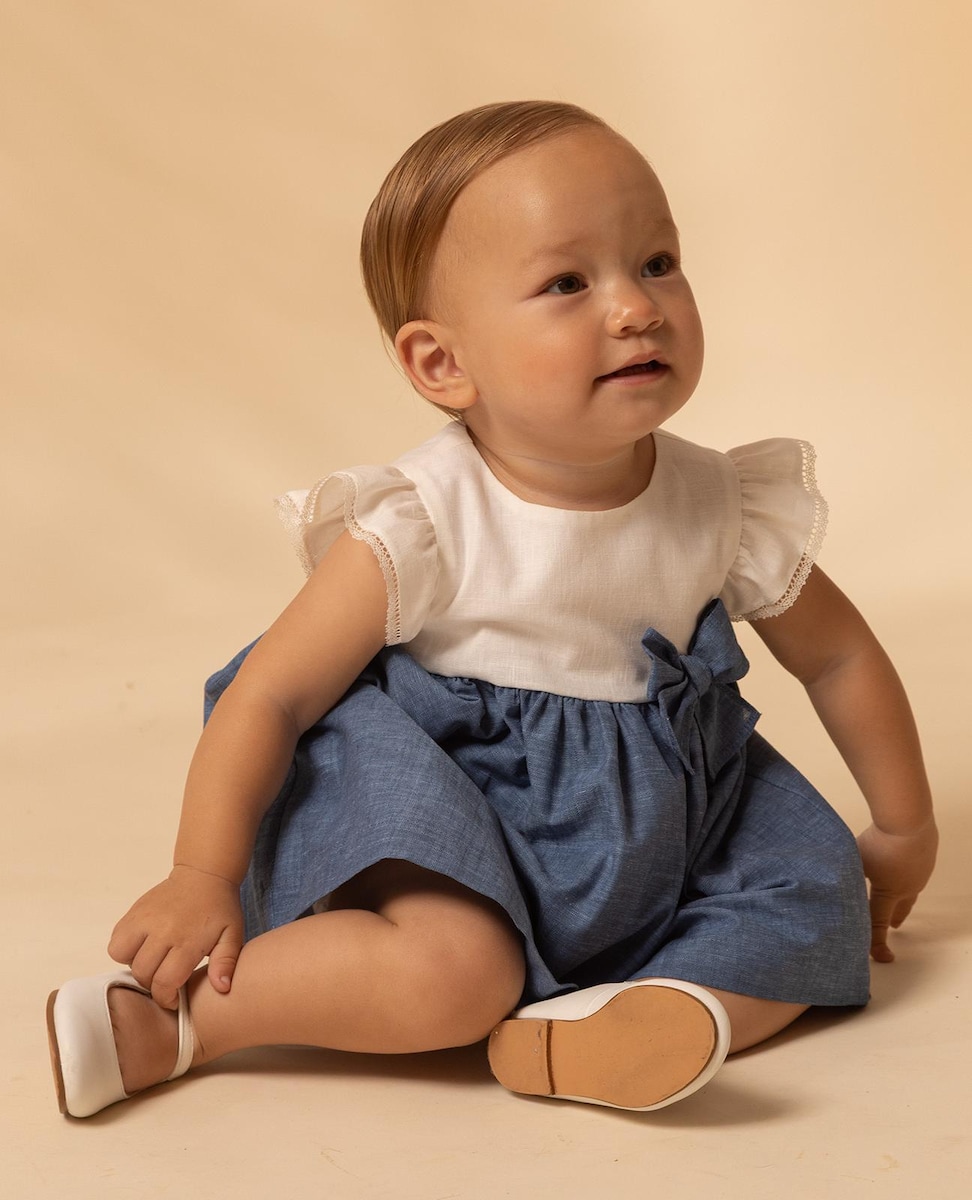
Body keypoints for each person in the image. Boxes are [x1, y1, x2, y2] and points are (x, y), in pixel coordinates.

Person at [47, 101, 938, 1119]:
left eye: (656, 263)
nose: (636, 308)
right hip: (454, 815)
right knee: (453, 974)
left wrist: (903, 822)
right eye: (568, 284)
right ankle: (180, 1021)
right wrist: (200, 873)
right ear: (443, 363)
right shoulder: (427, 520)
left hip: (664, 818)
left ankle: (629, 1022)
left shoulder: (725, 506)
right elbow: (270, 695)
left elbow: (839, 657)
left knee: (814, 896)